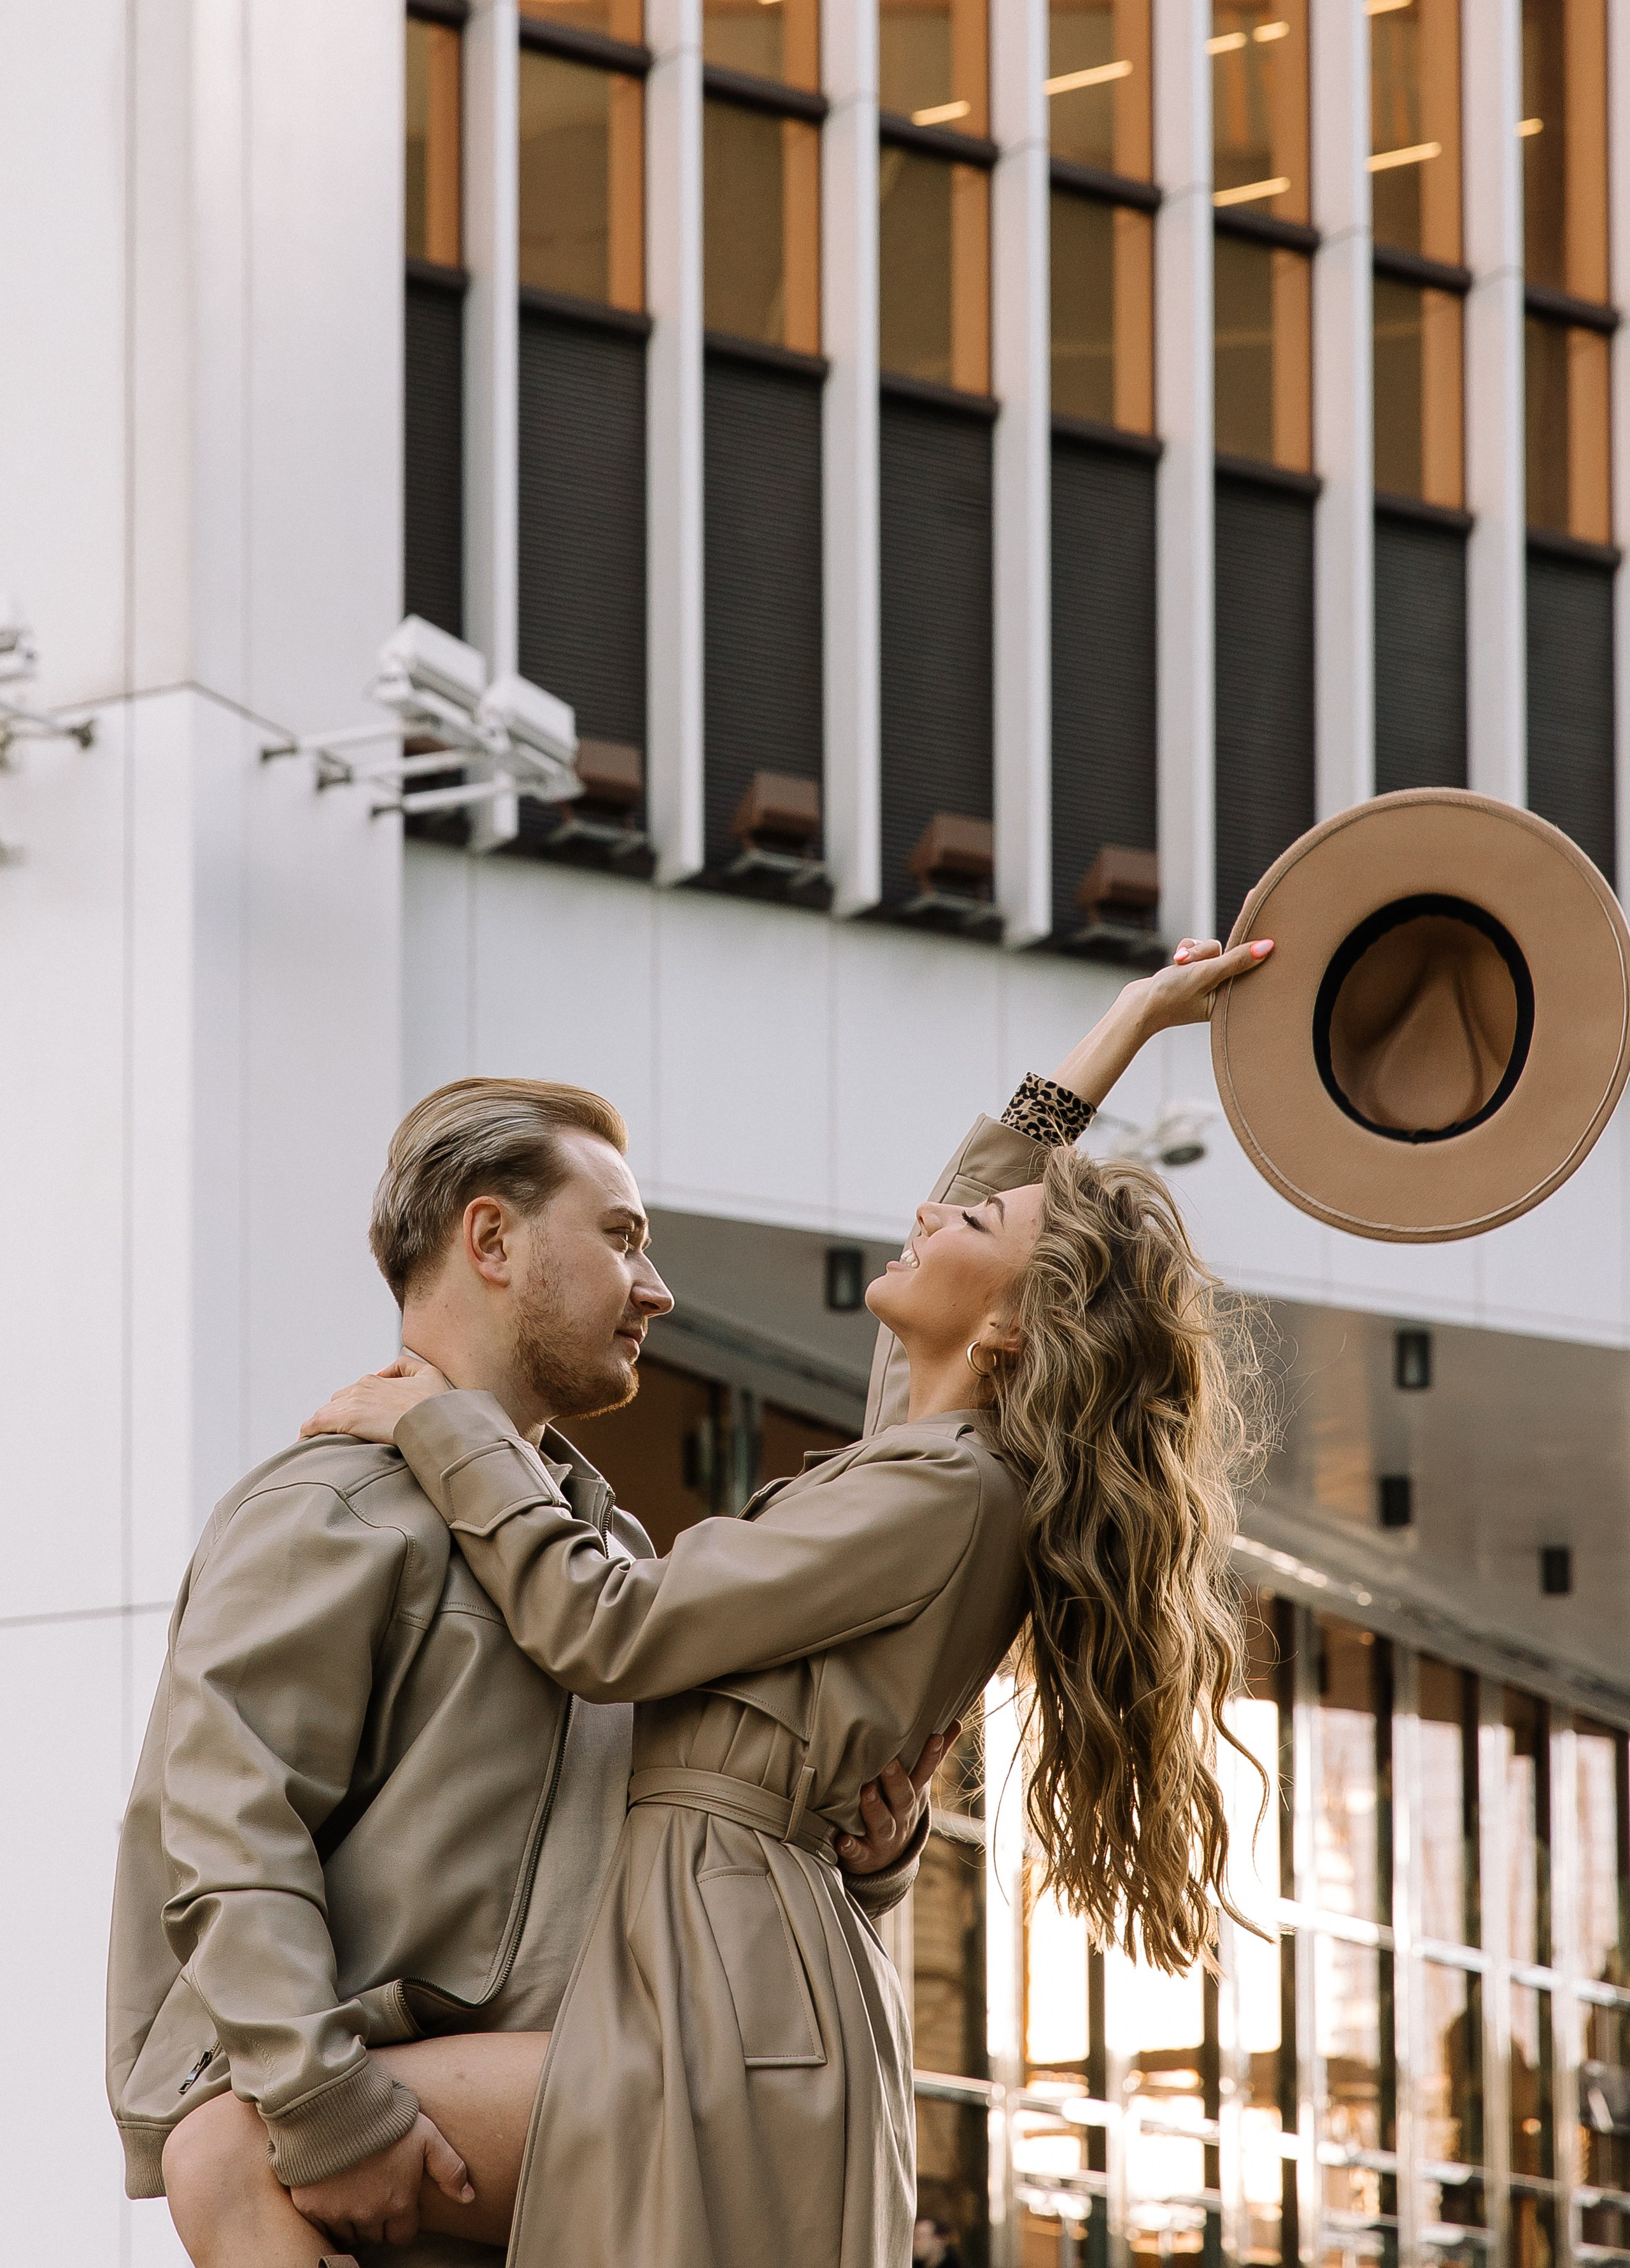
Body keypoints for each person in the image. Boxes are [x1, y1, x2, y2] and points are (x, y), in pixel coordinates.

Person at [163, 931, 1273, 2265]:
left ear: (1004, 1333)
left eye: (965, 1227)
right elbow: (987, 1209)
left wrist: (447, 1425)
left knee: (231, 2149)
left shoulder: (948, 1493)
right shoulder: (928, 1457)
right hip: (725, 1983)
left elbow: (609, 1627)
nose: (928, 1214)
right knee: (241, 2146)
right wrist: (1125, 1028)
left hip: (726, 2009)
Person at [109, 1080, 938, 2268]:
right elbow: (228, 1835)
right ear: (491, 1238)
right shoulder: (331, 1510)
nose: (656, 1290)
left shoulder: (618, 1564)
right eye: (622, 1239)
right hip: (388, 2169)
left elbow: (713, 1839)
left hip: (565, 2152)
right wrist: (328, 2107)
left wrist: (875, 1849)